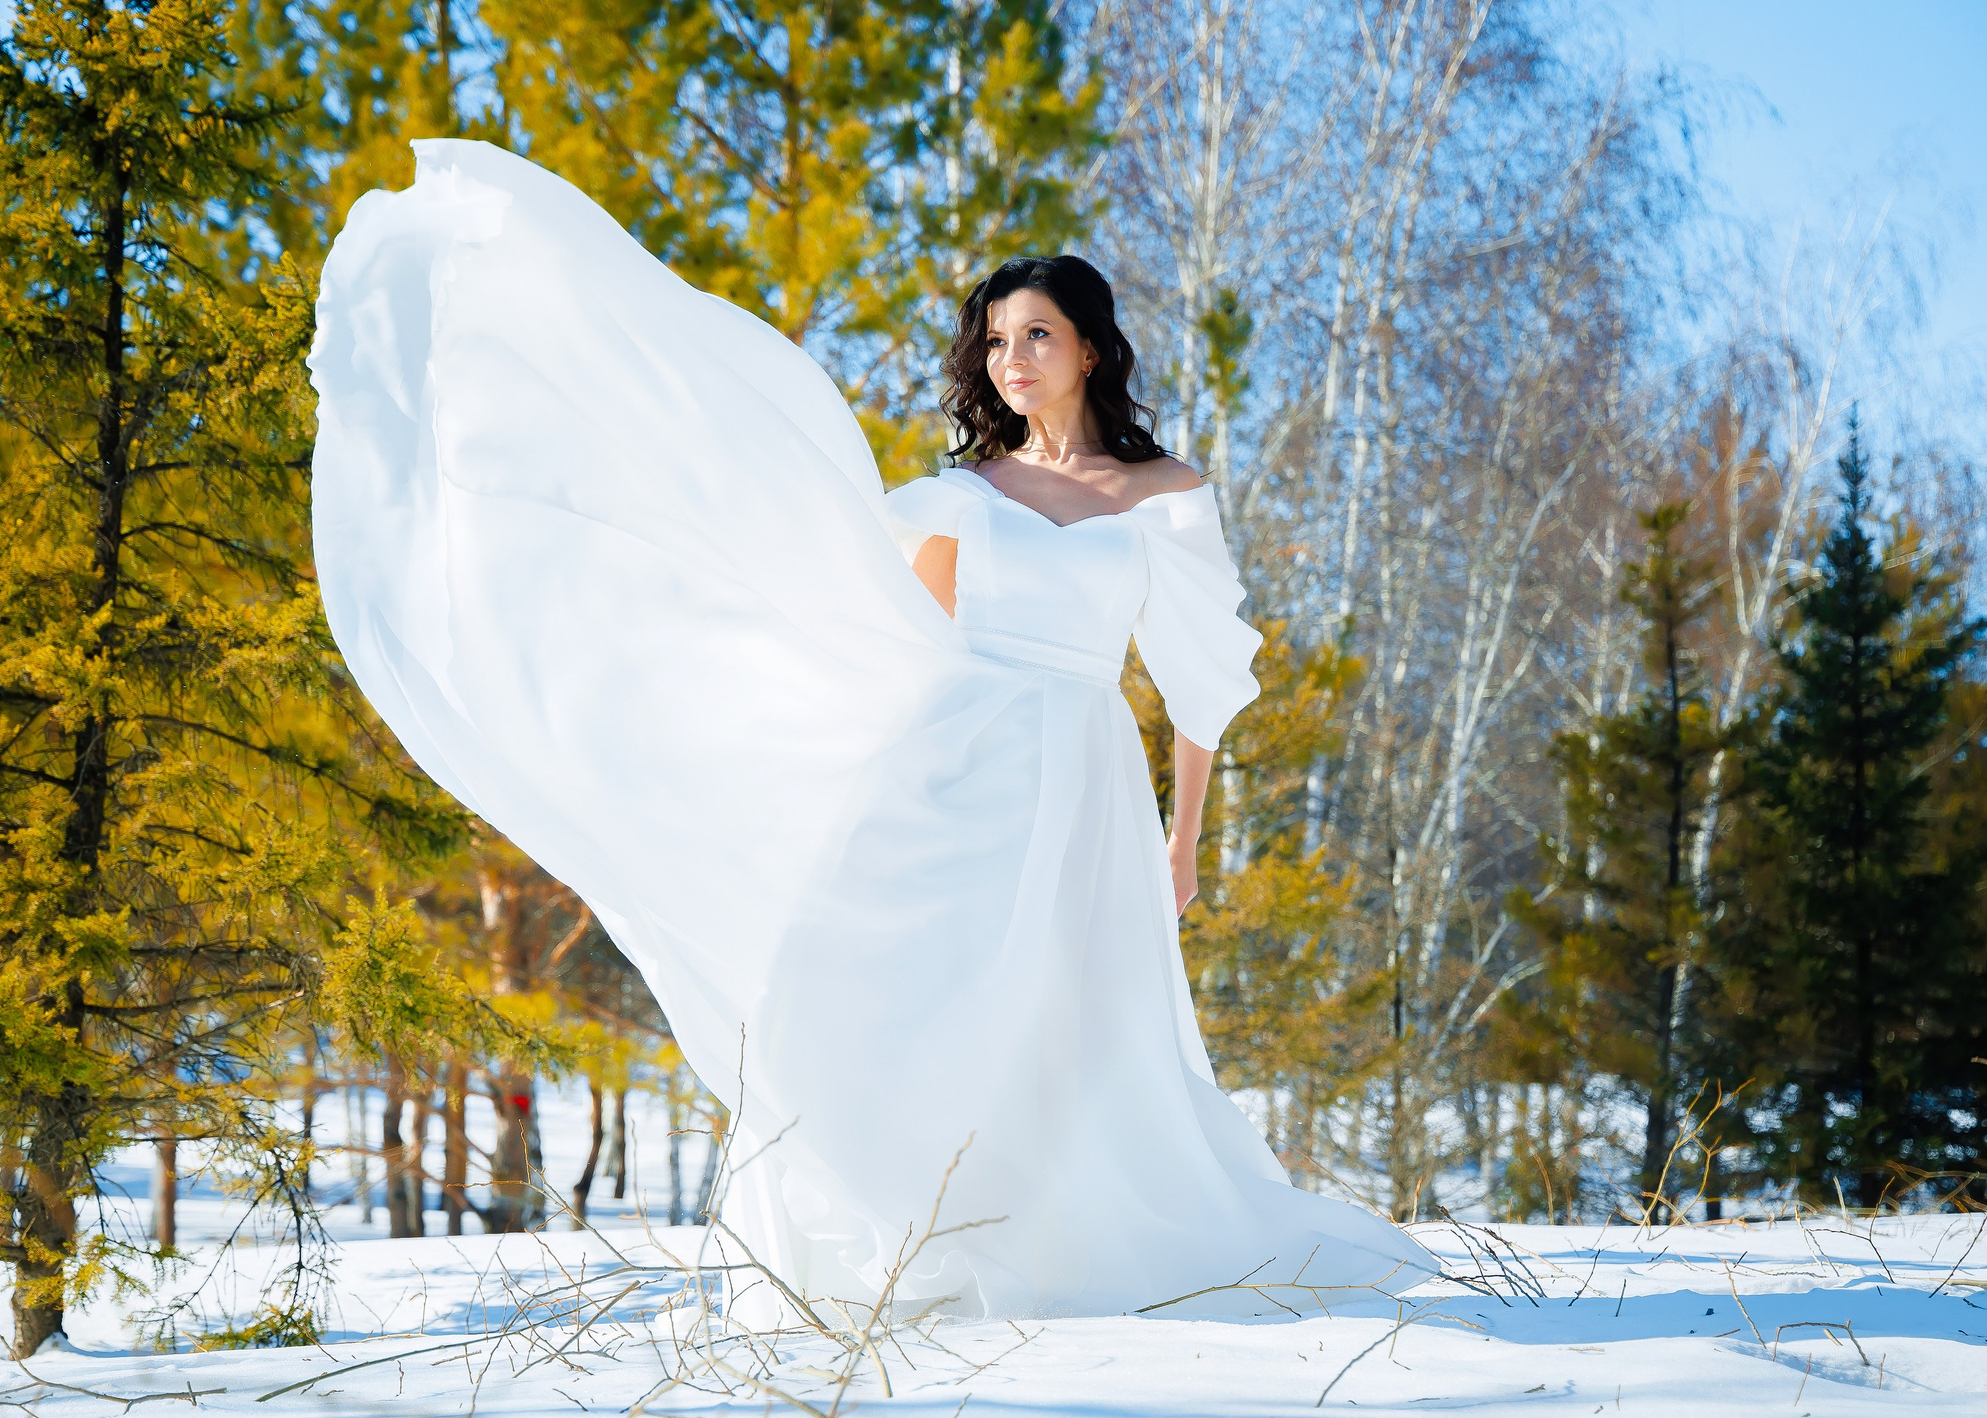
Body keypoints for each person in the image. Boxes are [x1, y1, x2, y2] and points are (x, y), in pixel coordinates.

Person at [309, 140, 1433, 1324]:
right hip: (960, 761)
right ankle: (890, 1230)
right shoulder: (957, 499)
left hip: (1087, 775)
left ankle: (1057, 1243)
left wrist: (1185, 844)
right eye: (995, 342)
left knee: (1069, 1021)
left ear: (1092, 345)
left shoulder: (1161, 496)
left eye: (1037, 335)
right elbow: (882, 627)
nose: (1011, 361)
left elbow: (1201, 679)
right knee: (861, 983)